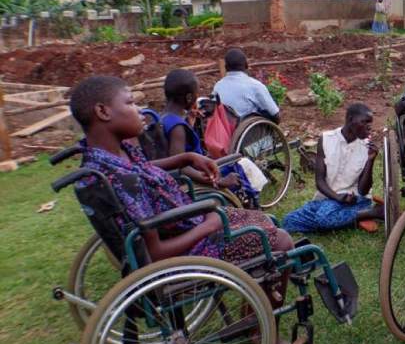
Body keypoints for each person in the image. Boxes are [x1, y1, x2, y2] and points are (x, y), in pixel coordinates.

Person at [68, 75, 294, 264]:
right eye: (129, 103)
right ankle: (261, 313)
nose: (140, 110)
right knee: (281, 240)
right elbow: (155, 253)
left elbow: (142, 169)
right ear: (103, 111)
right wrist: (207, 226)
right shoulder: (122, 180)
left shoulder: (109, 158)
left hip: (187, 223)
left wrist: (184, 158)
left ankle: (256, 297)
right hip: (193, 244)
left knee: (265, 221)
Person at [161, 68, 263, 202]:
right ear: (189, 98)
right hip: (193, 183)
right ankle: (252, 211)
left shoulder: (163, 118)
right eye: (197, 94)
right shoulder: (178, 127)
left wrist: (189, 124)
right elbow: (180, 168)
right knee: (242, 166)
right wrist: (218, 181)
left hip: (196, 172)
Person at [282, 103, 383, 234]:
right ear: (350, 119)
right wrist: (337, 197)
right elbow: (320, 181)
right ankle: (357, 217)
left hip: (354, 199)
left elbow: (363, 191)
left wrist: (370, 160)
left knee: (323, 218)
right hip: (328, 197)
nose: (369, 127)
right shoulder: (326, 139)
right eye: (364, 122)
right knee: (289, 222)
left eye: (370, 123)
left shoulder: (366, 147)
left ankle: (373, 211)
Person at [212, 48, 280, 122]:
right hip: (249, 131)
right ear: (246, 65)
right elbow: (276, 116)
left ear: (226, 67)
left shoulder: (217, 87)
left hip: (224, 130)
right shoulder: (255, 86)